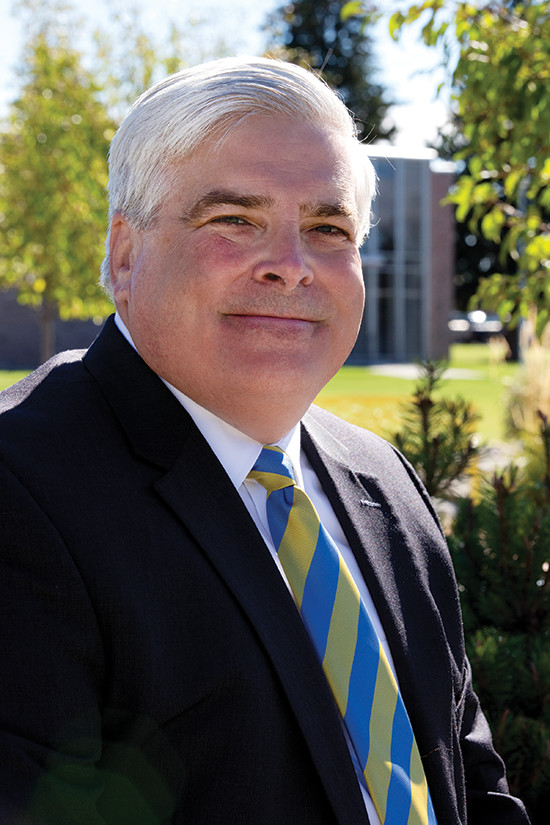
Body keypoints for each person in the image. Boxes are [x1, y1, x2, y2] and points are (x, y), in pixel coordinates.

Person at [0, 56, 530, 825]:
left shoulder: (381, 478)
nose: (291, 266)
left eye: (328, 228)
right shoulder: (22, 491)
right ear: (124, 253)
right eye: (234, 220)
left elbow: (468, 781)